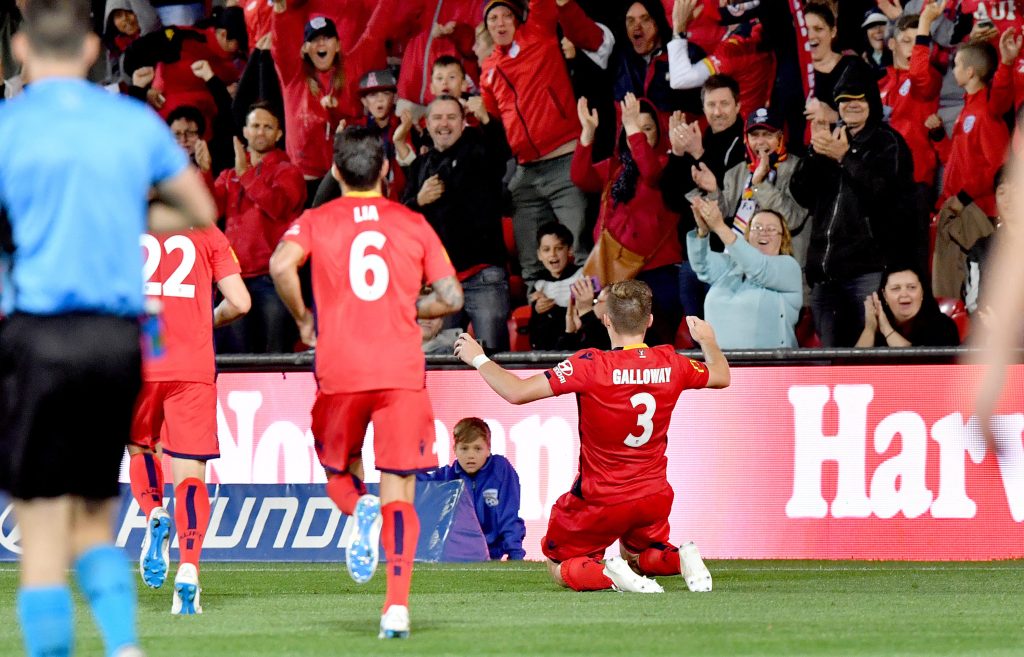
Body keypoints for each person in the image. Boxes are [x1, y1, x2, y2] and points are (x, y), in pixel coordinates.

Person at [0, 1, 216, 655]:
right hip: (113, 339)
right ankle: (123, 645)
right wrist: (125, 217)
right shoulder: (131, 122)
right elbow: (199, 207)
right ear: (95, 54)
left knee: (42, 530)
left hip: (37, 332)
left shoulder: (9, 126)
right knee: (95, 515)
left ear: (22, 55)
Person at [269, 126, 464, 639]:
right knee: (400, 485)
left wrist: (304, 320)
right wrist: (409, 306)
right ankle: (395, 608)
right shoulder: (412, 222)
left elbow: (279, 264)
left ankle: (359, 509)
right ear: (386, 171)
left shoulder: (316, 219)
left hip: (341, 368)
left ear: (335, 173)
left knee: (340, 469)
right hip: (400, 371)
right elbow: (451, 296)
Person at [454, 279, 729, 594]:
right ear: (649, 321)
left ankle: (614, 577)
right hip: (652, 495)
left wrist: (479, 358)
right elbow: (721, 375)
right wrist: (707, 339)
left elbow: (516, 392)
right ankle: (682, 558)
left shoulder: (590, 365)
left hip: (602, 497)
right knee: (640, 553)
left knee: (558, 563)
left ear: (607, 319)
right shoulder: (671, 362)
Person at [129, 224, 250, 614]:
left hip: (143, 357)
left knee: (140, 447)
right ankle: (189, 570)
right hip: (192, 367)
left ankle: (153, 513)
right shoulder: (206, 232)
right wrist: (205, 319)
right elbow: (241, 302)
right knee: (191, 476)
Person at [789, 65, 920, 347]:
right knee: (832, 360)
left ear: (871, 101)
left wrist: (846, 158)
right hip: (825, 274)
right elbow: (800, 193)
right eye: (845, 101)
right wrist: (814, 154)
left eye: (859, 99)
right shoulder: (830, 140)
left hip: (867, 271)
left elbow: (887, 197)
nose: (852, 106)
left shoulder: (888, 142)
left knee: (871, 356)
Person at [400, 94, 512, 352]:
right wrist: (419, 200)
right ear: (426, 123)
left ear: (464, 122)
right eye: (438, 118)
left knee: (492, 358)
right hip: (441, 284)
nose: (444, 124)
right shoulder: (420, 166)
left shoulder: (479, 149)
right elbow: (403, 220)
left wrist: (486, 119)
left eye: (452, 117)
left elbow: (501, 154)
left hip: (483, 277)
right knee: (442, 360)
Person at [571, 93, 683, 346]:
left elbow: (650, 172)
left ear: (658, 132)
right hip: (616, 271)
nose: (639, 134)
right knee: (614, 347)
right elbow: (581, 177)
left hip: (656, 272)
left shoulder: (665, 164)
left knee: (656, 345)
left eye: (647, 129)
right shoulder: (615, 168)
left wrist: (633, 129)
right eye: (633, 127)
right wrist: (587, 134)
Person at [214, 101, 306, 354]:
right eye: (255, 125)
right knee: (238, 359)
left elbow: (277, 206)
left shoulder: (288, 172)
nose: (260, 132)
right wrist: (202, 172)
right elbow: (210, 212)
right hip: (235, 279)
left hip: (271, 280)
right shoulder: (228, 175)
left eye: (268, 127)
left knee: (273, 357)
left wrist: (245, 175)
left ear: (279, 134)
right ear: (244, 131)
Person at [687, 199, 803, 349]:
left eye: (772, 229)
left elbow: (758, 268)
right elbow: (701, 264)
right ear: (748, 235)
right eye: (757, 227)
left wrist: (719, 226)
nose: (764, 233)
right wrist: (702, 231)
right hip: (721, 365)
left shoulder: (788, 267)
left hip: (769, 366)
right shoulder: (730, 266)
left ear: (783, 238)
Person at [419, 417, 526, 560]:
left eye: (477, 448)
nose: (471, 455)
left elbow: (509, 515)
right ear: (455, 450)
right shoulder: (447, 476)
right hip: (455, 556)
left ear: (488, 450)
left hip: (491, 555)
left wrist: (515, 553)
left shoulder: (500, 470)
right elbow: (414, 483)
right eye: (464, 448)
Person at [855, 265, 960, 347]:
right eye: (895, 288)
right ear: (884, 295)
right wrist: (869, 329)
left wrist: (886, 329)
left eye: (912, 287)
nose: (904, 294)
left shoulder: (943, 326)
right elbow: (851, 371)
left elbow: (919, 368)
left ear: (922, 292)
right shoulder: (872, 326)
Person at [529, 222, 583, 350]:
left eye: (558, 248)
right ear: (539, 255)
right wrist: (538, 310)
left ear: (570, 250)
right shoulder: (539, 284)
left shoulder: (583, 276)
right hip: (548, 351)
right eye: (546, 250)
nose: (553, 254)